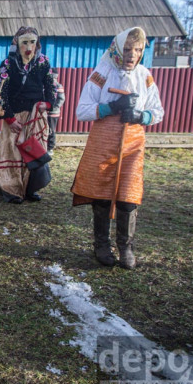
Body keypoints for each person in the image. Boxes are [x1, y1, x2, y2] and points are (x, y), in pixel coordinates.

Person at [71, 27, 163, 270]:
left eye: (137, 49)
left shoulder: (145, 76)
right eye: (127, 49)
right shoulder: (102, 74)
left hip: (132, 142)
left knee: (129, 194)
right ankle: (101, 244)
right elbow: (81, 110)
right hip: (104, 140)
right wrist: (111, 107)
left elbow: (158, 111)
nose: (132, 54)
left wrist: (142, 115)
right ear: (117, 49)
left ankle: (126, 246)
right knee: (101, 193)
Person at [0, 26, 56, 203]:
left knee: (33, 150)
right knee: (12, 151)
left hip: (35, 115)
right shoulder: (8, 64)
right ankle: (11, 189)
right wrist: (9, 118)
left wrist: (48, 103)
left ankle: (30, 188)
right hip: (14, 114)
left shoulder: (43, 62)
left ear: (37, 44)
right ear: (17, 44)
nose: (28, 46)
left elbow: (50, 85)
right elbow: (1, 92)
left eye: (32, 42)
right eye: (24, 42)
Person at [47, 77, 65, 157]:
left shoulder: (58, 86)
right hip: (45, 112)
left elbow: (61, 99)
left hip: (53, 113)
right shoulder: (46, 84)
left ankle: (50, 148)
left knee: (51, 130)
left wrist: (54, 107)